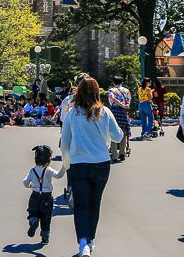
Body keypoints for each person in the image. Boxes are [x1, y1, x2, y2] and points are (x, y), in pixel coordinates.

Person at [60, 76, 123, 257]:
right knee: (95, 203)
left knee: (80, 205)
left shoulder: (72, 114)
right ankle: (91, 240)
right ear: (97, 92)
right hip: (101, 163)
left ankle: (83, 243)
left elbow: (65, 143)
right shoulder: (104, 112)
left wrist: (66, 165)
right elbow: (118, 137)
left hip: (79, 163)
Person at [22, 144, 65, 245]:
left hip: (35, 196)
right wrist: (65, 165)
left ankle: (33, 221)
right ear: (48, 159)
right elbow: (59, 175)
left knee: (32, 212)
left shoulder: (32, 171)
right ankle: (45, 237)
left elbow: (25, 182)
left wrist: (30, 185)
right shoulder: (48, 170)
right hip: (47, 197)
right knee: (46, 218)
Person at [107, 77, 131, 162]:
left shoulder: (112, 90)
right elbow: (128, 101)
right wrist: (125, 106)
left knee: (113, 131)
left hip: (115, 111)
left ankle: (114, 154)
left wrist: (121, 105)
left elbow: (113, 99)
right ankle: (122, 152)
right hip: (124, 112)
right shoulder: (126, 90)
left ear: (113, 82)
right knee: (124, 131)